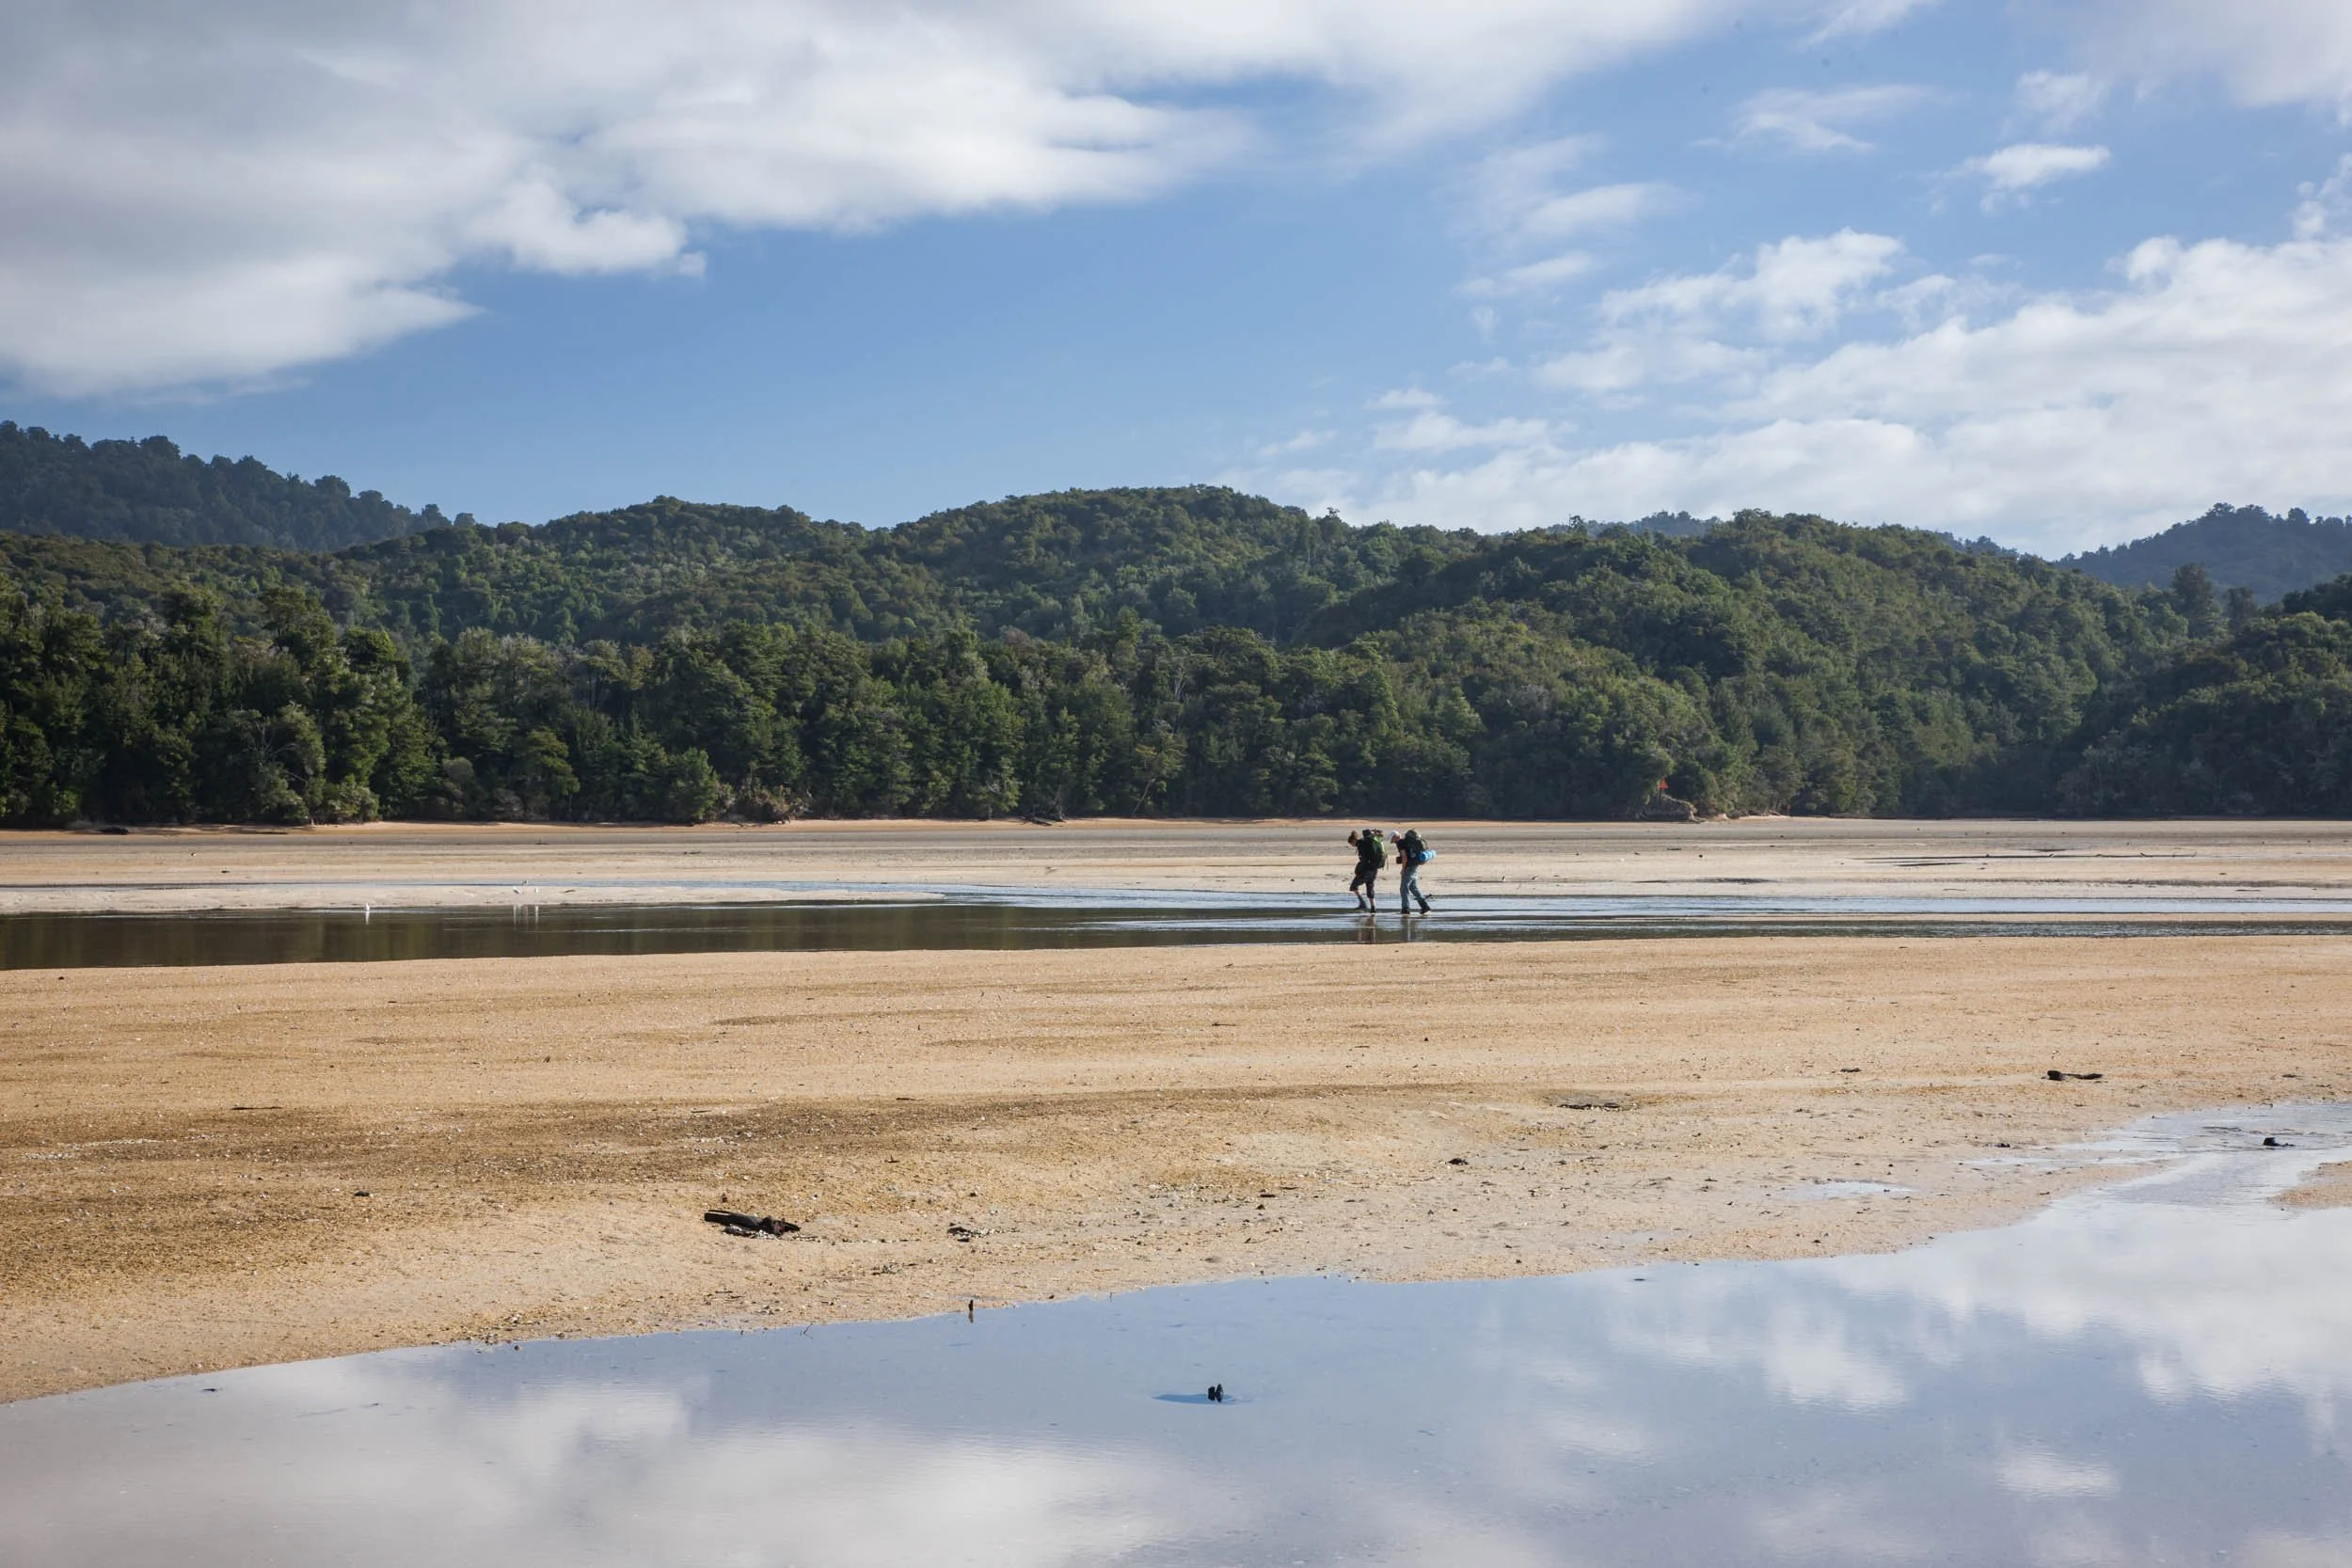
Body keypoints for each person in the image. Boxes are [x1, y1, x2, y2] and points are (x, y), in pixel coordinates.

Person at [1393, 828, 1432, 913]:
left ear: (1395, 837)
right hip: (1415, 865)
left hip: (1409, 868)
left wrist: (1403, 869)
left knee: (1403, 888)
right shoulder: (1407, 842)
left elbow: (1404, 857)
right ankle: (1425, 907)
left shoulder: (1400, 843)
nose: (1393, 841)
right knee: (1413, 888)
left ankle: (1405, 909)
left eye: (1392, 839)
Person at [1346, 827, 1386, 911]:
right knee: (1370, 887)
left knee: (1353, 886)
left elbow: (1364, 860)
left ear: (1353, 841)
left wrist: (1357, 870)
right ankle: (1373, 908)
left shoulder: (1361, 845)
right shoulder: (1367, 842)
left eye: (1351, 844)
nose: (1352, 846)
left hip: (1366, 870)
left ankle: (1362, 903)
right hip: (1374, 868)